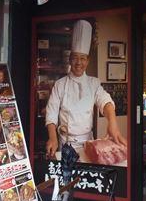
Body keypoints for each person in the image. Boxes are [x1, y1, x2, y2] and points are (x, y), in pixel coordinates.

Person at [45, 19, 126, 158]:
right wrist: (52, 137)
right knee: (67, 171)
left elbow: (105, 101)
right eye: (75, 58)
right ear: (70, 59)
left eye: (83, 58)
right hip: (66, 141)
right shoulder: (60, 84)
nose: (79, 62)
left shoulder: (93, 83)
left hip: (88, 142)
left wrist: (112, 123)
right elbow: (51, 113)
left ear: (87, 61)